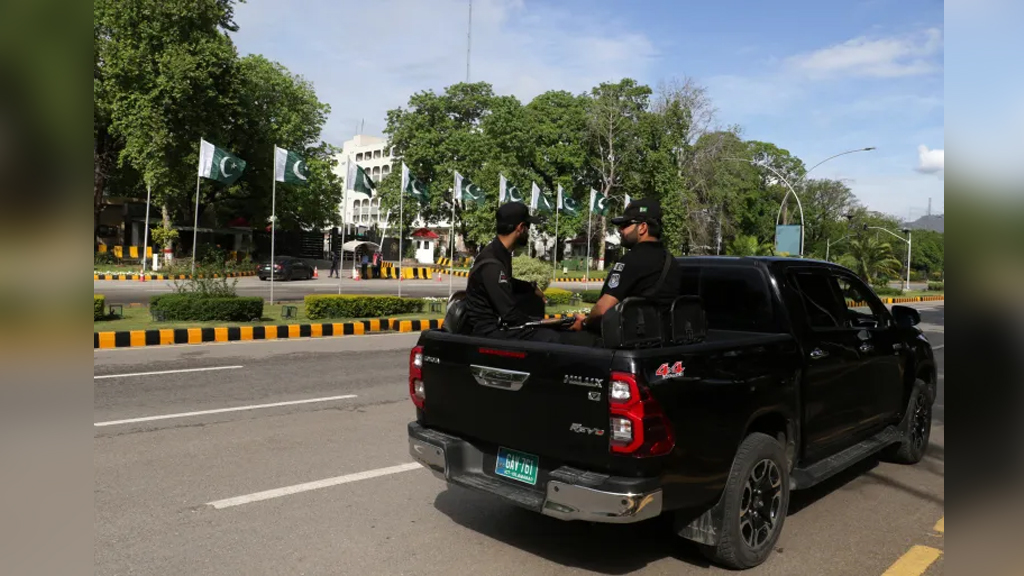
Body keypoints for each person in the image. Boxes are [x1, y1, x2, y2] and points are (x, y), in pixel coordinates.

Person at [571, 198, 681, 335]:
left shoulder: (632, 260)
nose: (620, 230)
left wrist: (584, 322)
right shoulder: (671, 261)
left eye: (625, 225)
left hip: (629, 341)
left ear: (642, 228)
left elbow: (602, 309)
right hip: (662, 341)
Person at [464, 202, 561, 343]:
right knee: (552, 338)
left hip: (496, 327)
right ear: (520, 228)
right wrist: (543, 323)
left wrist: (532, 287)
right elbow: (510, 315)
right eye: (528, 227)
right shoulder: (492, 263)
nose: (528, 232)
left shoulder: (499, 253)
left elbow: (508, 283)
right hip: (488, 333)